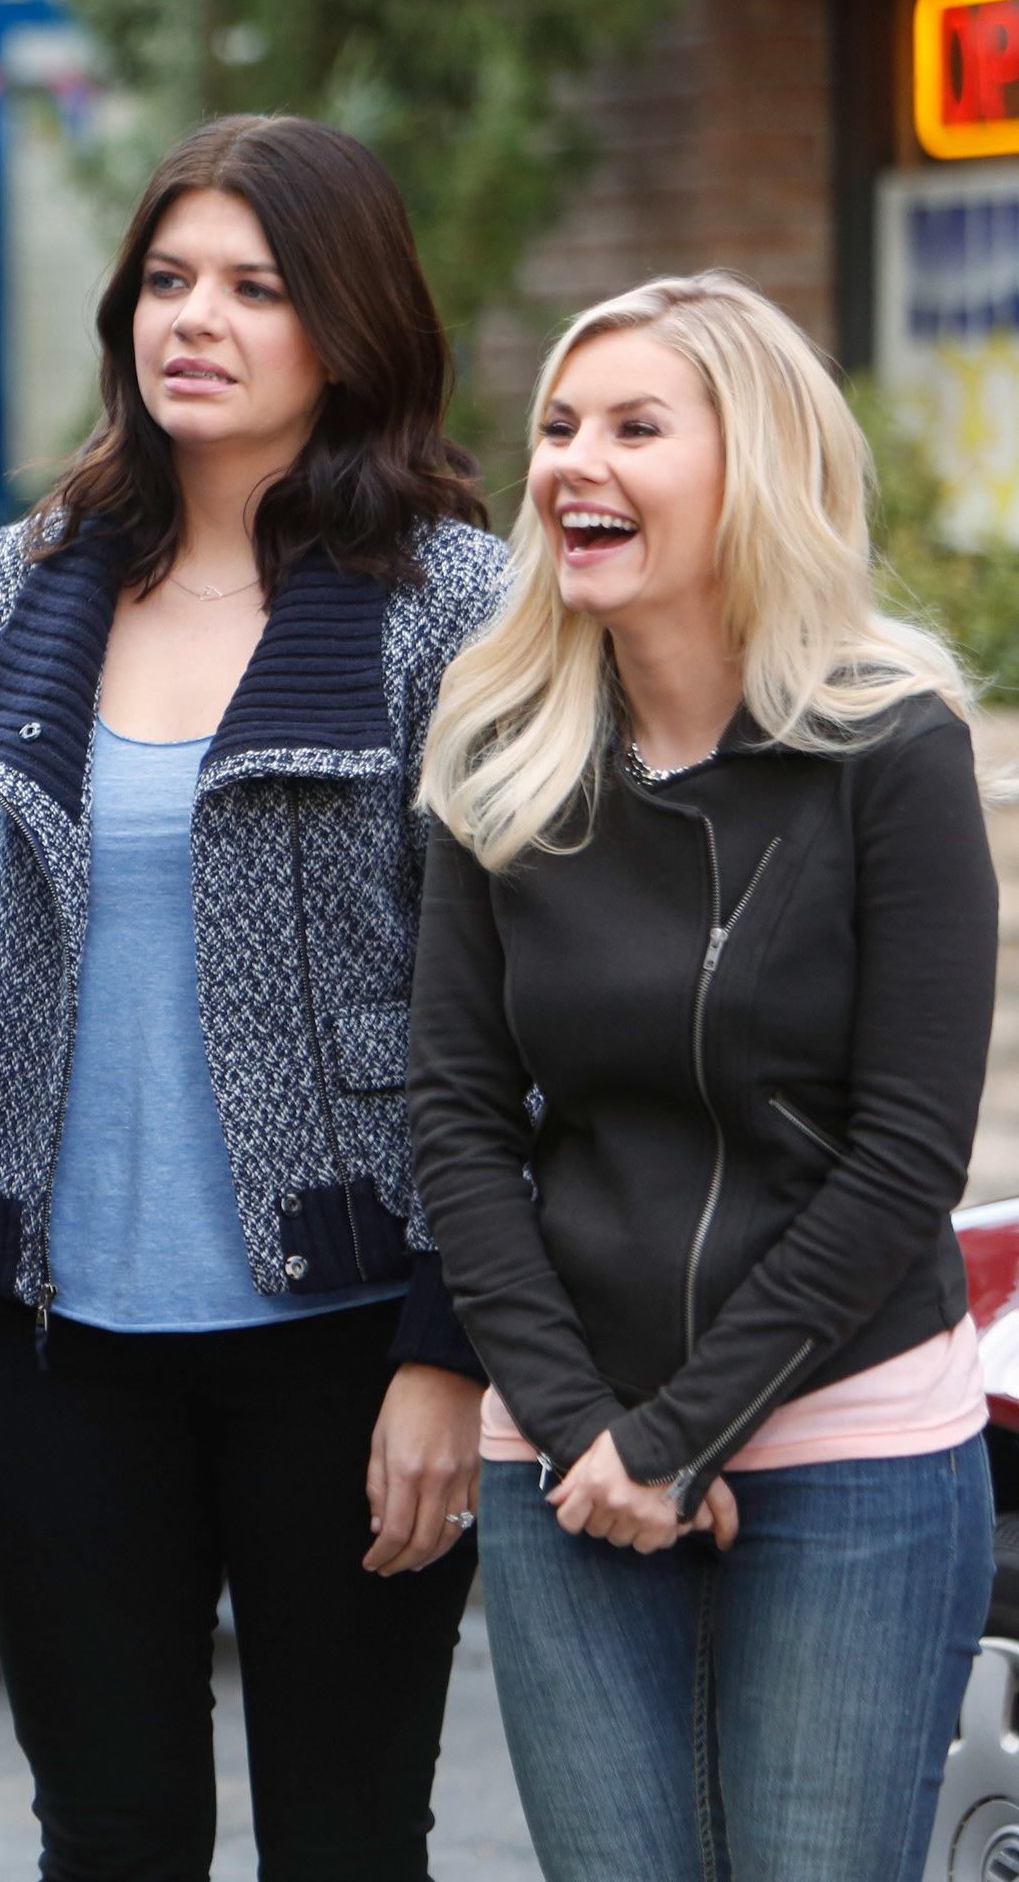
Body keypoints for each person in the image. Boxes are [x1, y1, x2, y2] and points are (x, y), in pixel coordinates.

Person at [0, 115, 506, 1879]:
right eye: (167, 279)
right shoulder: (32, 581)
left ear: (347, 325)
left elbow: (487, 1014)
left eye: (256, 287)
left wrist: (450, 1346)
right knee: (109, 1835)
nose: (191, 319)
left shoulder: (450, 602)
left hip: (348, 1344)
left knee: (348, 1843)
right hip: (62, 1349)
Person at [411, 271, 998, 1880]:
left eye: (636, 427)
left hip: (846, 1439)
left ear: (758, 466)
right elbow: (457, 1118)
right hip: (570, 1447)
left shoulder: (894, 748)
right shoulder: (495, 746)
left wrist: (684, 1436)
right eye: (557, 427)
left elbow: (904, 1155)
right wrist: (582, 1424)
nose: (570, 462)